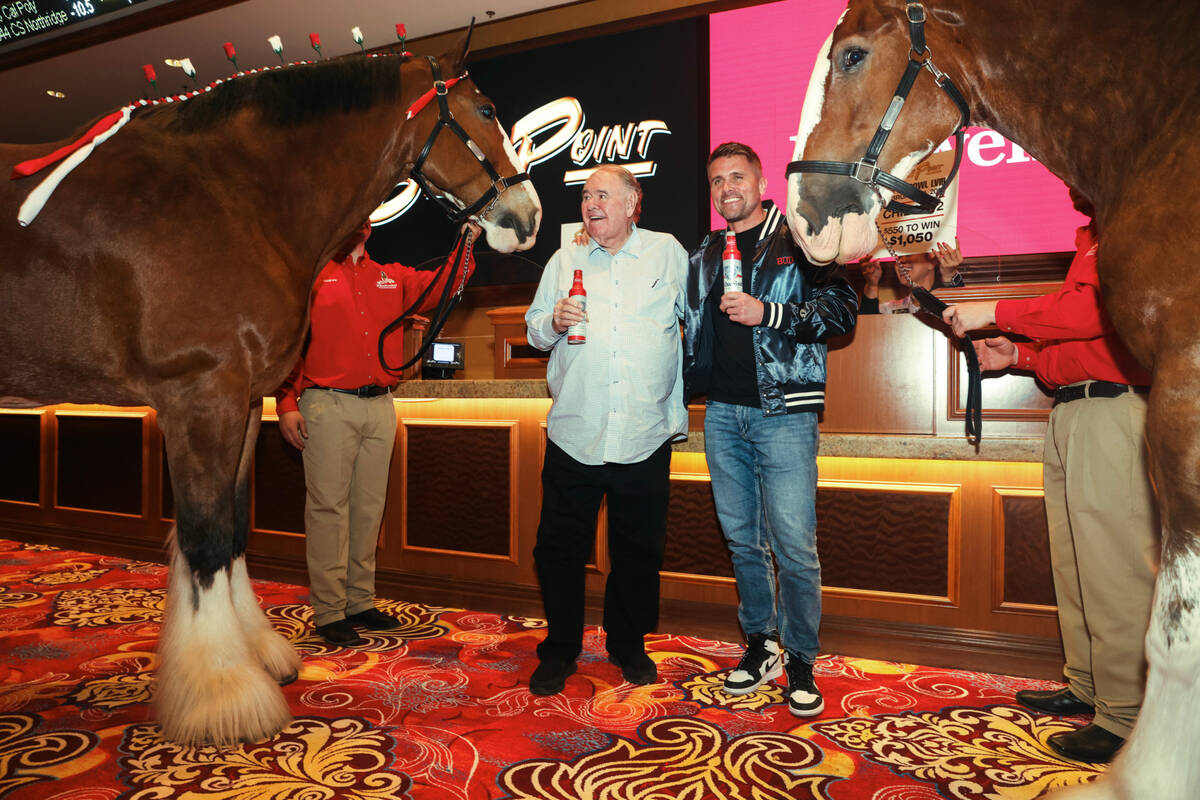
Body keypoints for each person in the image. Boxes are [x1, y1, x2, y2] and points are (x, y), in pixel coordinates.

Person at [941, 188, 1157, 763]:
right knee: (1076, 560)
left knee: (1113, 566)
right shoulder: (1091, 236)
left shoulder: (1135, 220)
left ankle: (1126, 714)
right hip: (1074, 410)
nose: (1067, 180)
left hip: (1116, 411)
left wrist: (997, 313)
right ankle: (1090, 687)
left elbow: (1097, 314)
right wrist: (1022, 357)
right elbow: (1080, 344)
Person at [682, 142, 858, 716]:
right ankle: (761, 645)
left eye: (736, 176)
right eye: (715, 181)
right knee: (742, 542)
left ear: (760, 181)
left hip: (785, 412)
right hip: (721, 416)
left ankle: (802, 659)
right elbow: (685, 326)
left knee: (794, 547)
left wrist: (772, 313)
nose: (726, 188)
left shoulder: (802, 237)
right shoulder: (705, 251)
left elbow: (841, 312)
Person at [524, 165, 688, 695]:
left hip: (644, 429)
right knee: (559, 548)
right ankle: (561, 648)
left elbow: (700, 318)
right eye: (585, 196)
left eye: (602, 194)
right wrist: (552, 321)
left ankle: (626, 643)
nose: (590, 203)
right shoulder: (563, 259)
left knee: (638, 548)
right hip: (577, 429)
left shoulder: (668, 252)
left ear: (632, 201)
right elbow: (534, 330)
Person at [276, 219, 480, 647]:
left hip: (380, 405)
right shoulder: (312, 274)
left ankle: (359, 601)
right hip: (327, 404)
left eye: (367, 215)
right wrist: (287, 402)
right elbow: (289, 342)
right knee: (329, 509)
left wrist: (465, 242)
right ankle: (330, 611)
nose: (361, 223)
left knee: (369, 509)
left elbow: (445, 283)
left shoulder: (391, 276)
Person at [860, 240, 964, 314]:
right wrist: (872, 285)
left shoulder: (944, 304)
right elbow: (867, 328)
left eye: (908, 254)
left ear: (931, 263)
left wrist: (949, 275)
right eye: (899, 257)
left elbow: (958, 314)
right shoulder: (891, 309)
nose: (901, 261)